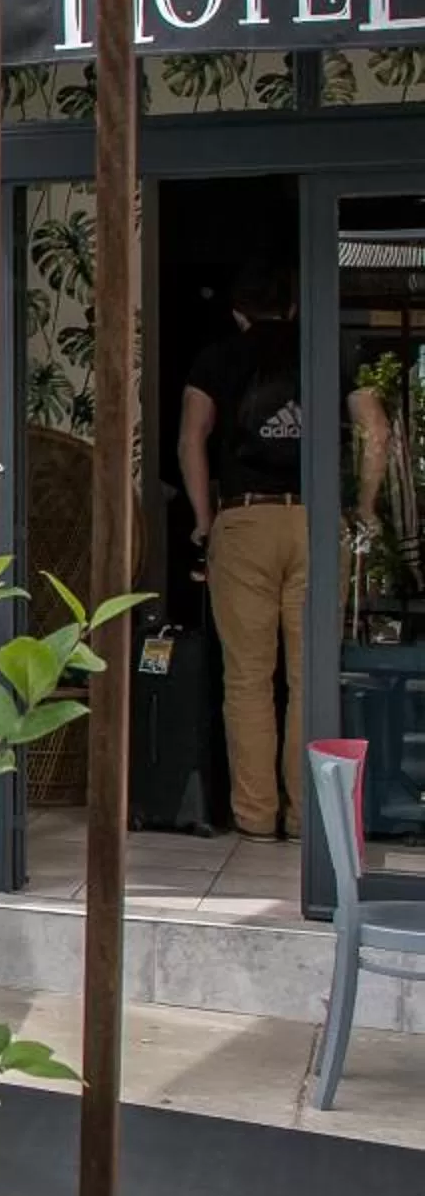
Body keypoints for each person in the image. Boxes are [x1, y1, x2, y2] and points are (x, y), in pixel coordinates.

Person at [179, 265, 392, 840]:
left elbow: (190, 437)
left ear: (237, 311)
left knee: (247, 679)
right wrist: (364, 508)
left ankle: (255, 817)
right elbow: (375, 429)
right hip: (317, 520)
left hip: (245, 521)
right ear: (292, 308)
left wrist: (204, 519)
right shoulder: (329, 350)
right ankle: (307, 820)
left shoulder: (217, 357)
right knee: (310, 677)